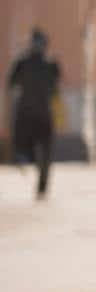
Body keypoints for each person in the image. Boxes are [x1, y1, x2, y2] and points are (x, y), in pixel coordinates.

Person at [7, 29, 60, 198]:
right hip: (44, 113)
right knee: (46, 151)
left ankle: (23, 157)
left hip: (25, 114)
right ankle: (42, 187)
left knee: (23, 142)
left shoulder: (22, 62)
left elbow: (11, 83)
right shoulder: (51, 64)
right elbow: (55, 89)